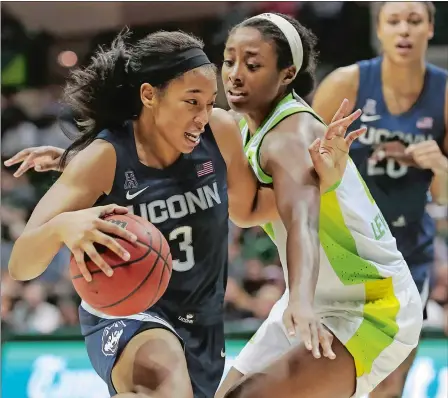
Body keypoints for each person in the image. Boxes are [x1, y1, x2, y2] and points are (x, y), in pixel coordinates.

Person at [5, 28, 358, 398]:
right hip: (130, 312)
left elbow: (251, 209)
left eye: (209, 103)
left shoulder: (219, 132)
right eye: (192, 102)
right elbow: (21, 263)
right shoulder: (103, 157)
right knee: (164, 376)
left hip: (202, 324)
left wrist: (322, 178)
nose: (204, 116)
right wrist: (62, 226)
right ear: (149, 95)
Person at [212, 12, 422, 398]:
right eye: (229, 60)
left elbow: (303, 223)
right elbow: (249, 210)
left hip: (371, 305)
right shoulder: (242, 127)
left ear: (287, 74)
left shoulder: (291, 136)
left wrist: (304, 303)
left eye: (253, 64)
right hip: (310, 298)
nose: (235, 74)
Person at [312, 2, 448, 396]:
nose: (404, 29)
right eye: (394, 21)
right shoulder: (345, 83)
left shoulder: (444, 94)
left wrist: (440, 165)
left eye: (414, 20)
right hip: (345, 246)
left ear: (430, 28)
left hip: (407, 251)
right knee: (333, 370)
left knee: (391, 377)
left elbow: (443, 196)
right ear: (380, 29)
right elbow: (304, 163)